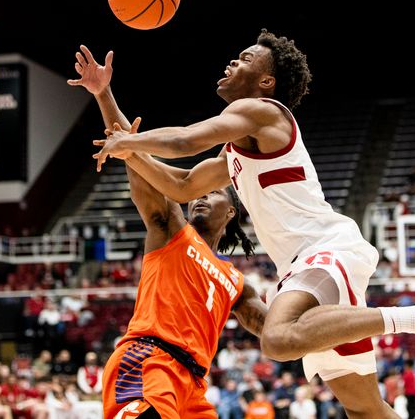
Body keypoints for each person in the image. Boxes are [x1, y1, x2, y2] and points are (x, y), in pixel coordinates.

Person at [87, 31, 415, 417]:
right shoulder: (235, 157)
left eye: (245, 58)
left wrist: (130, 144)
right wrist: (108, 103)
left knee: (278, 339)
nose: (232, 60)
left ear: (266, 81)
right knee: (364, 409)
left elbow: (185, 141)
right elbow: (179, 184)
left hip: (324, 248)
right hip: (310, 265)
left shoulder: (262, 112)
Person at [68, 45, 268, 419]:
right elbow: (134, 160)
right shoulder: (172, 231)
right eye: (199, 192)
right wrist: (103, 94)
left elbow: (271, 328)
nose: (201, 197)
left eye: (214, 192)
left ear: (232, 213)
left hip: (191, 385)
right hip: (147, 361)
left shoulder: (236, 281)